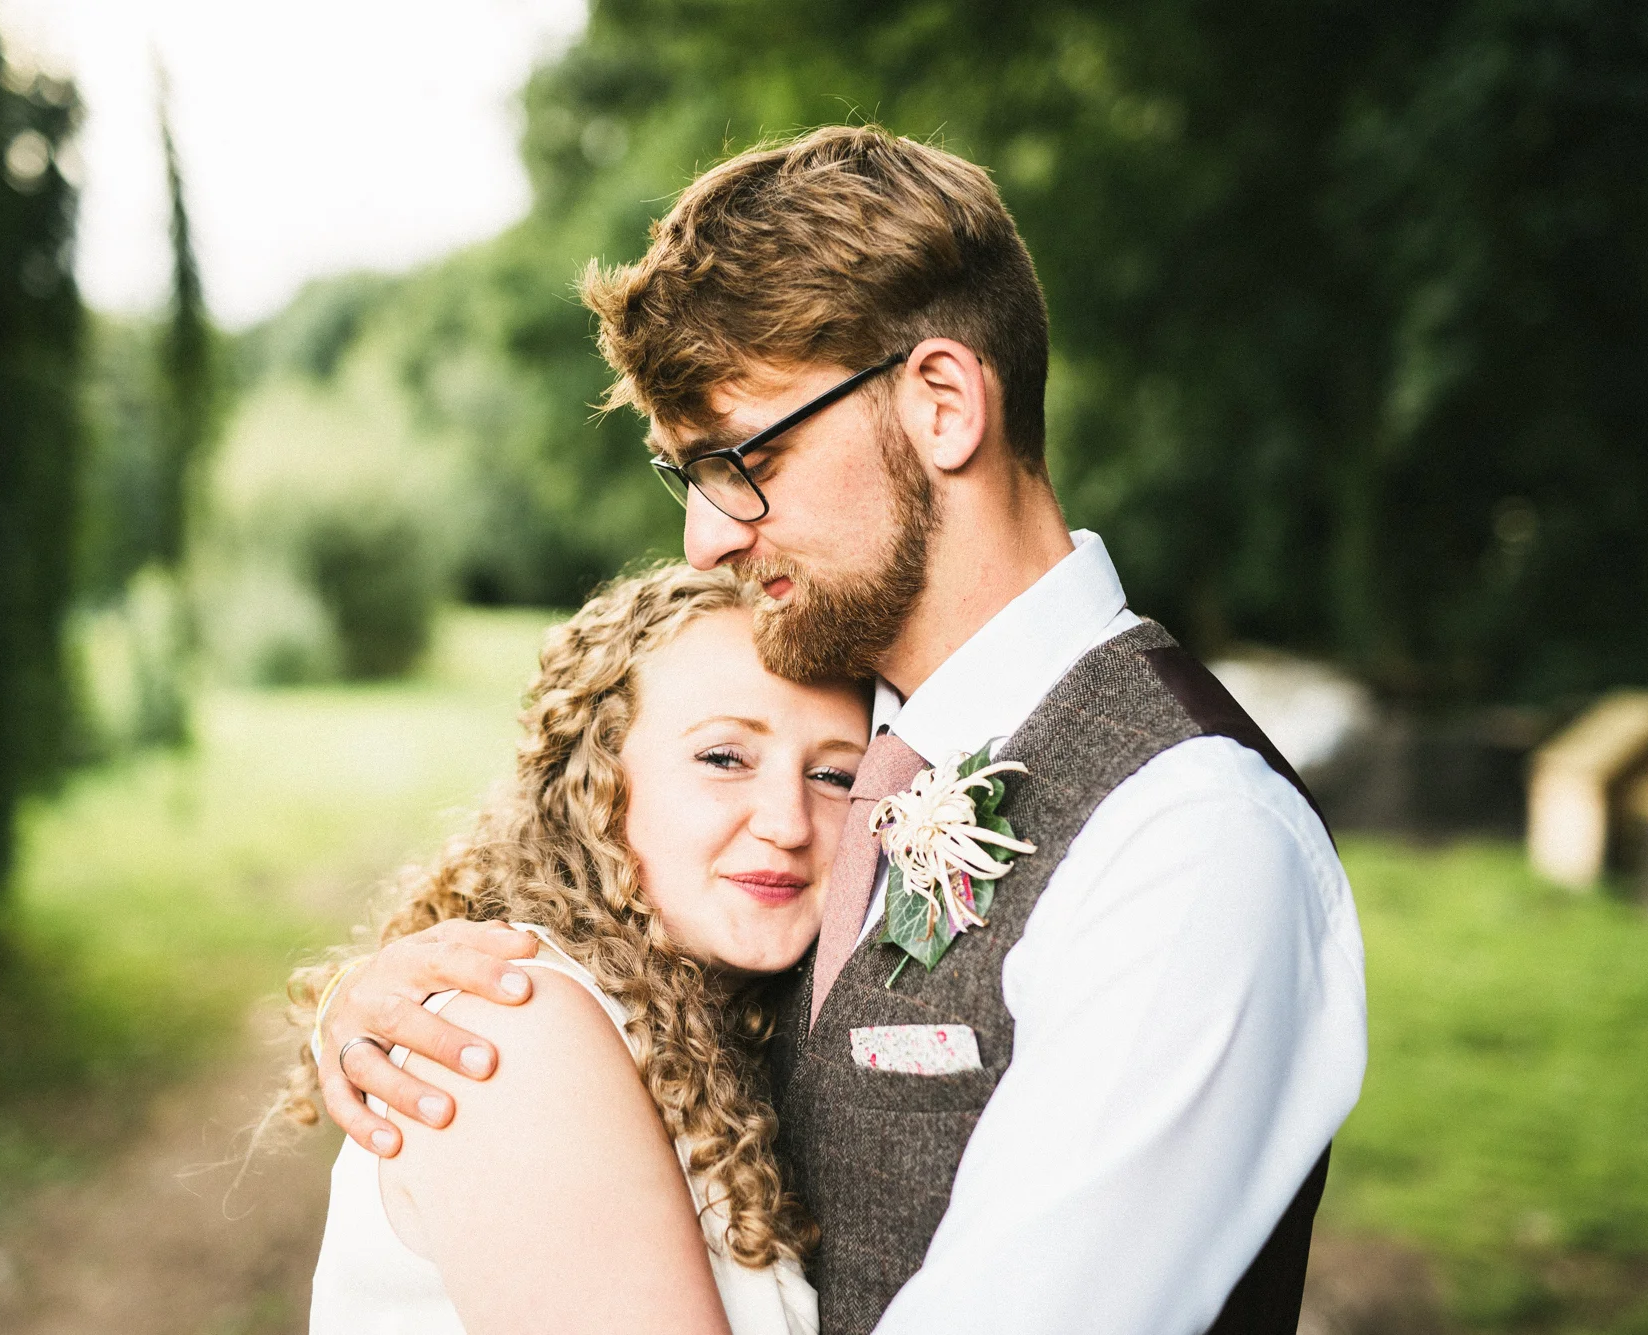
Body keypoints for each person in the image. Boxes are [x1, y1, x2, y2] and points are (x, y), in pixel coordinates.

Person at [316, 125, 1369, 1335]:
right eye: (687, 477)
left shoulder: (1184, 835)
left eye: (742, 458)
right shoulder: (851, 748)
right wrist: (429, 1004)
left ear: (940, 405)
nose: (706, 538)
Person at [289, 563, 870, 1334]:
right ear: (596, 777)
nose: (789, 821)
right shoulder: (513, 1030)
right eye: (725, 758)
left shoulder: (734, 1025)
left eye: (834, 774)